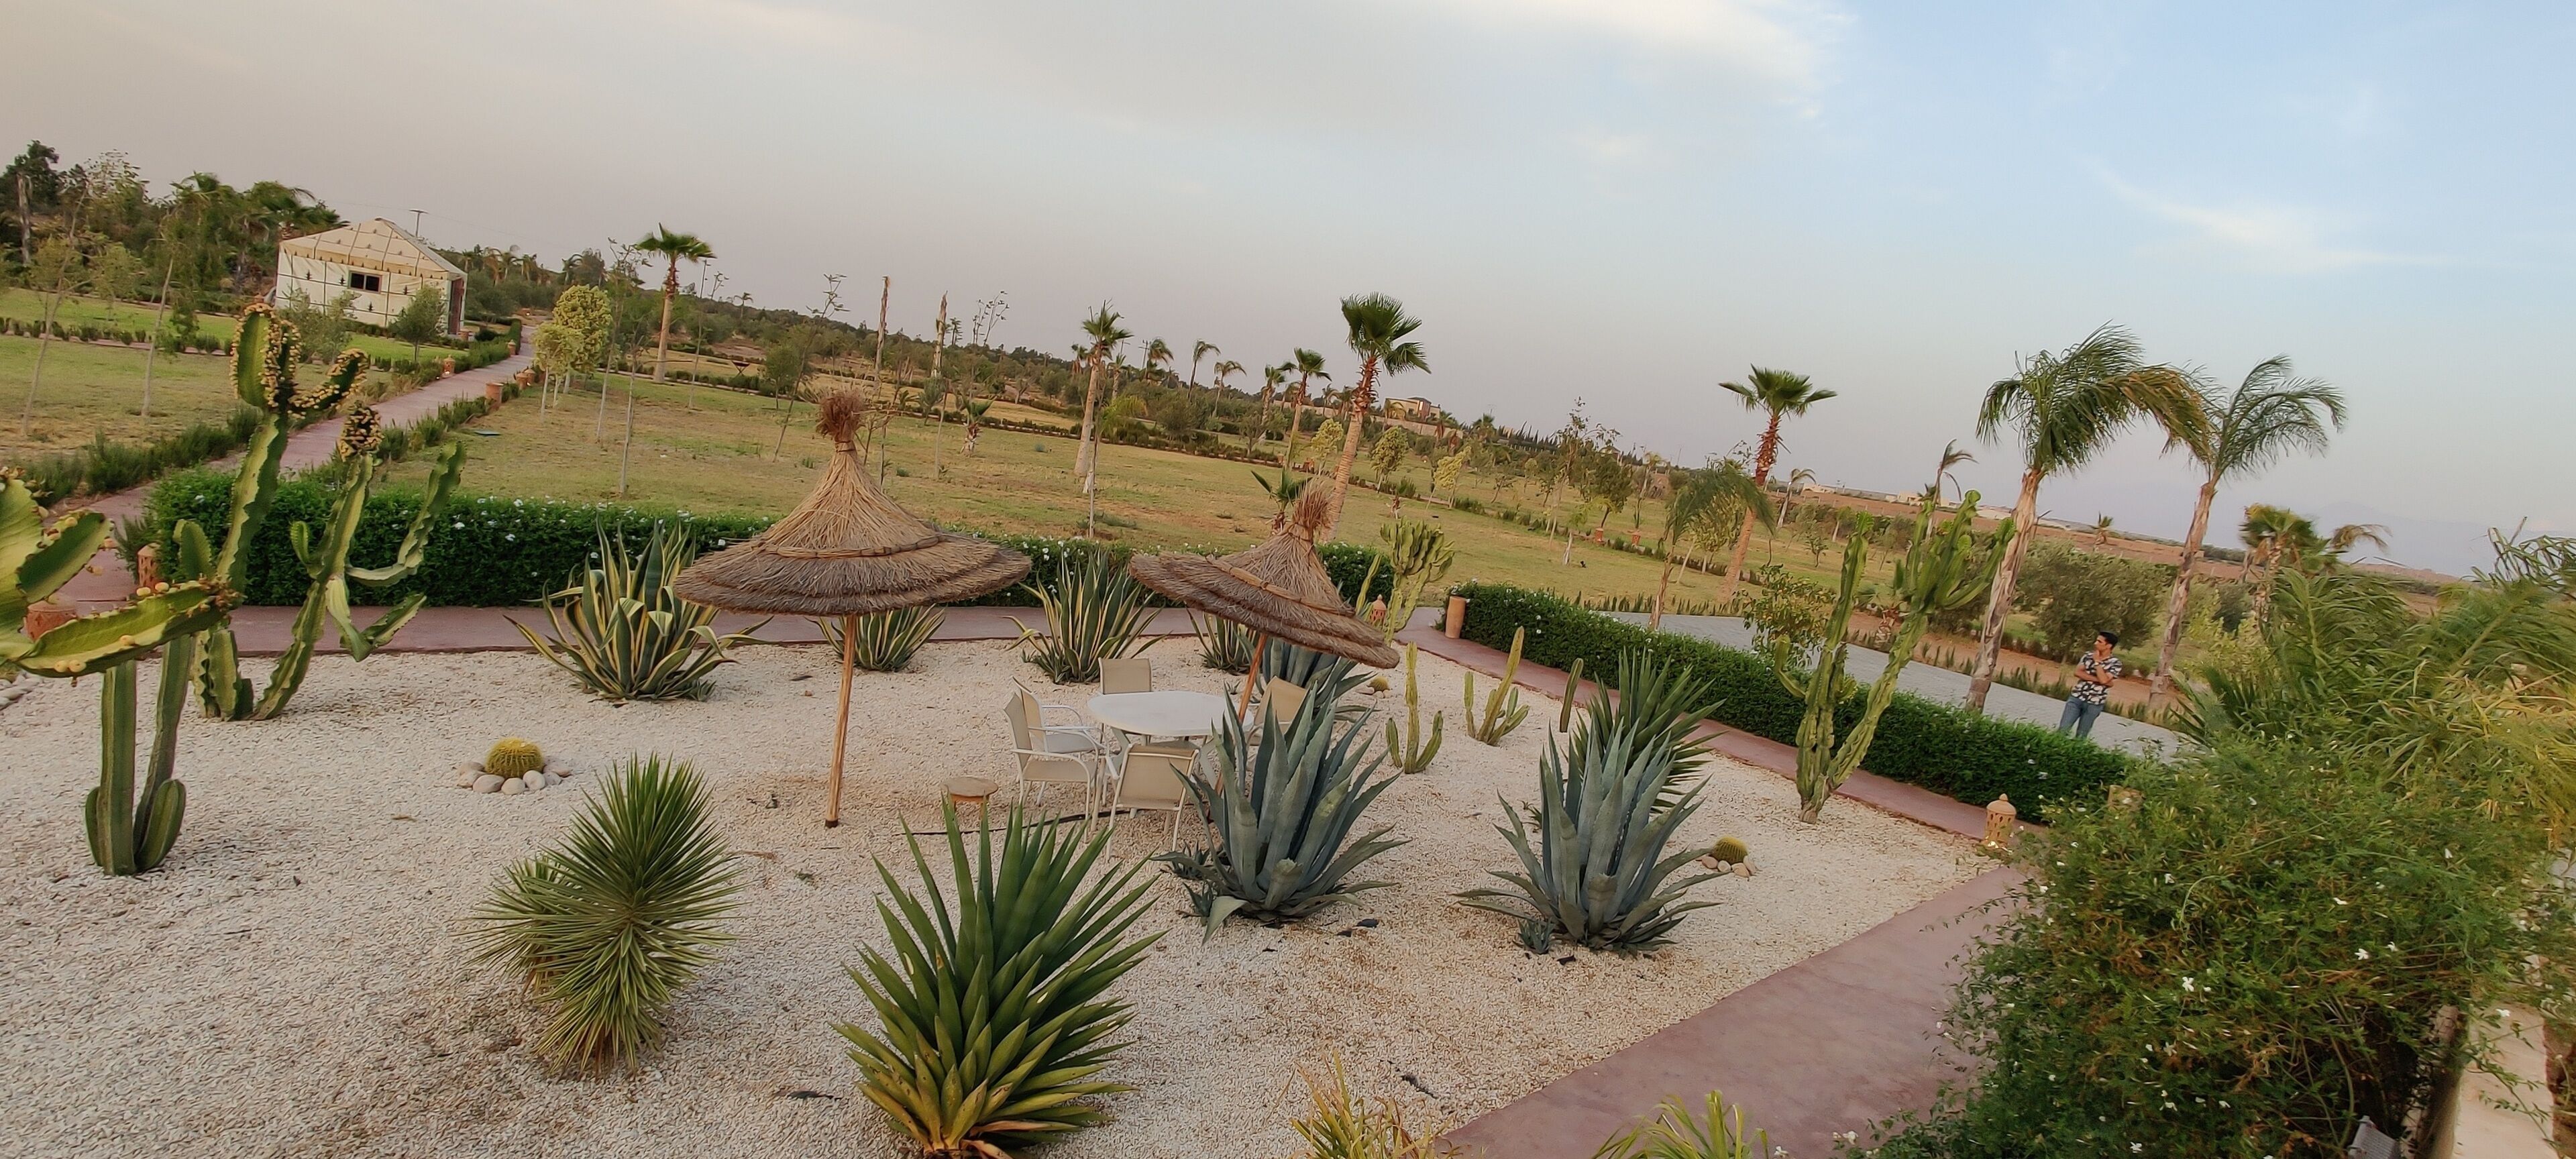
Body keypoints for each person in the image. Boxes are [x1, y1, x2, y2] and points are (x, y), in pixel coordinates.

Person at [2057, 630, 2122, 738]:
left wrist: (2097, 663)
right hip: (2077, 697)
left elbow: (2105, 680)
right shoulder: (2088, 656)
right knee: (2063, 729)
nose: (2095, 644)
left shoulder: (2115, 663)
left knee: (2082, 735)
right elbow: (2078, 672)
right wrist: (2101, 680)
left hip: (2095, 703)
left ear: (2108, 646)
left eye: (2099, 642)